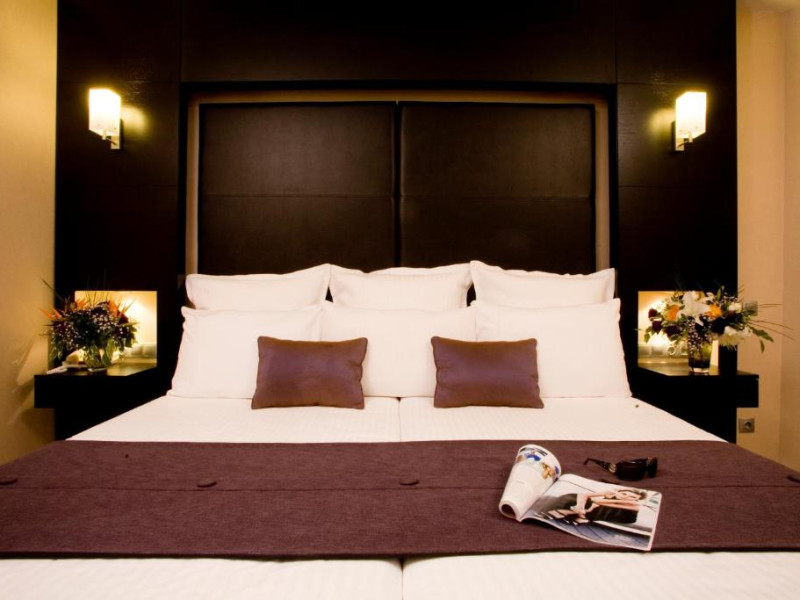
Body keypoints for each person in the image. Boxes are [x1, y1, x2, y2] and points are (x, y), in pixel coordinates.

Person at [545, 488, 647, 525]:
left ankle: (576, 516)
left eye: (632, 497)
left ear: (636, 499)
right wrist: (581, 507)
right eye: (624, 494)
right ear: (619, 492)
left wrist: (591, 506)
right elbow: (584, 495)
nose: (626, 497)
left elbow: (599, 502)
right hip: (602, 508)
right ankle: (580, 516)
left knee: (595, 505)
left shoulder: (635, 505)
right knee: (586, 501)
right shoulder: (611, 494)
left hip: (621, 516)